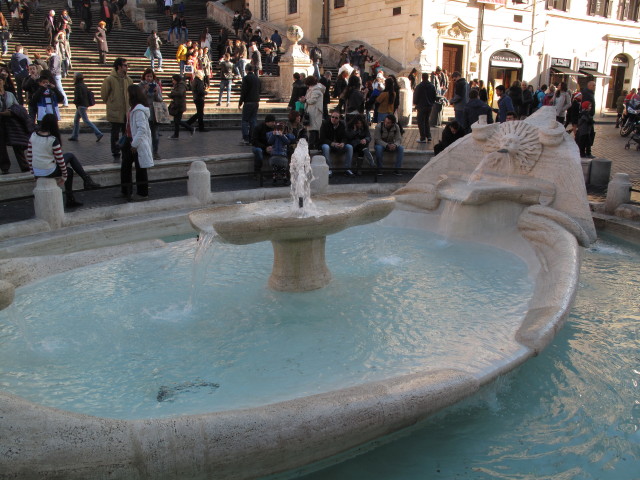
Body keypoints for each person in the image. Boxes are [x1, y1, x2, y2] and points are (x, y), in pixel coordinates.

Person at [26, 113, 99, 208]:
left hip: (37, 170)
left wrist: (34, 173)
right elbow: (60, 160)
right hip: (48, 170)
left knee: (70, 171)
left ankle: (71, 199)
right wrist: (64, 176)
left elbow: (29, 156)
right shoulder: (52, 139)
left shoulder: (33, 135)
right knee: (70, 156)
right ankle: (86, 180)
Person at [120, 84, 152, 200]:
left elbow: (142, 128)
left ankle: (143, 193)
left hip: (136, 142)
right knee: (125, 167)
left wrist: (134, 144)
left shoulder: (138, 110)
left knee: (140, 168)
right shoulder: (132, 108)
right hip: (129, 139)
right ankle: (126, 190)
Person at [100, 57, 133, 160]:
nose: (127, 67)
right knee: (115, 133)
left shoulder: (129, 80)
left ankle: (125, 149)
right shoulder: (109, 79)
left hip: (126, 111)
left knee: (126, 132)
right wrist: (112, 102)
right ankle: (115, 151)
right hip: (115, 110)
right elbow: (104, 95)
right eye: (125, 65)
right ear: (119, 66)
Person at [0, 74, 31, 174]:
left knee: (17, 143)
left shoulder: (9, 94)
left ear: (4, 82)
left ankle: (24, 166)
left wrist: (11, 111)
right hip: (0, 122)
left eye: (1, 80)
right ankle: (5, 167)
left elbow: (17, 107)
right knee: (1, 145)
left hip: (11, 122)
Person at [68, 73, 103, 142]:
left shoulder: (78, 86)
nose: (73, 78)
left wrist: (75, 102)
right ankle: (74, 136)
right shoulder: (83, 85)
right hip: (83, 105)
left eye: (74, 77)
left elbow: (79, 97)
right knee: (76, 120)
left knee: (86, 120)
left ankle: (98, 133)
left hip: (81, 105)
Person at [320, 110, 354, 176]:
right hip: (329, 144)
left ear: (339, 119)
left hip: (339, 145)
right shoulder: (325, 124)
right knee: (325, 147)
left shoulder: (342, 125)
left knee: (349, 147)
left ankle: (347, 169)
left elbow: (345, 137)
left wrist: (343, 143)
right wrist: (332, 143)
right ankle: (329, 169)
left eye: (336, 118)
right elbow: (322, 138)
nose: (334, 119)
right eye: (332, 117)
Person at [138, 68, 162, 160]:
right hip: (144, 112)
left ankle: (155, 152)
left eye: (151, 76)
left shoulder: (156, 86)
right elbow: (139, 98)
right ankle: (145, 151)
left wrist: (156, 93)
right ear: (144, 77)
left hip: (154, 113)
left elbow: (160, 99)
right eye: (147, 76)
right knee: (144, 133)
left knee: (155, 134)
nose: (149, 78)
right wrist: (145, 91)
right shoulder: (140, 85)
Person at [238, 64, 260, 145]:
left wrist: (240, 102)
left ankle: (245, 138)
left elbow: (243, 91)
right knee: (253, 120)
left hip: (248, 101)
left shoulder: (246, 78)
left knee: (245, 120)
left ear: (246, 70)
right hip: (256, 101)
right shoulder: (257, 78)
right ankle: (252, 138)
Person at [167, 74, 194, 139]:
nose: (172, 82)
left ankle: (190, 128)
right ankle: (176, 134)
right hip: (177, 104)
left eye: (173, 80)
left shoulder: (181, 85)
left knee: (177, 121)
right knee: (176, 121)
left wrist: (172, 93)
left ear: (176, 80)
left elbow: (180, 93)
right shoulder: (178, 85)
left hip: (179, 105)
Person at [413, 72, 437, 143]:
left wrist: (416, 103)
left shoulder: (419, 86)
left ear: (422, 78)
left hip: (421, 106)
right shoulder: (432, 86)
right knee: (426, 121)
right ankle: (428, 136)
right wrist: (431, 103)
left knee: (421, 122)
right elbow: (434, 96)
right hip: (429, 106)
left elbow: (416, 96)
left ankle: (422, 137)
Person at [250, 113, 275, 177]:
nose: (274, 123)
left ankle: (277, 171)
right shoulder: (258, 127)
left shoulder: (274, 128)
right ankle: (257, 172)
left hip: (269, 147)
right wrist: (265, 147)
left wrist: (272, 147)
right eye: (272, 122)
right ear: (267, 122)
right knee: (258, 151)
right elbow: (254, 141)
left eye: (274, 122)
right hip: (258, 146)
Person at [304, 75, 325, 149]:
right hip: (312, 110)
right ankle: (313, 144)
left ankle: (312, 145)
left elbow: (313, 100)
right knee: (313, 128)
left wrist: (305, 100)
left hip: (314, 111)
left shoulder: (316, 90)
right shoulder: (313, 89)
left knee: (313, 128)